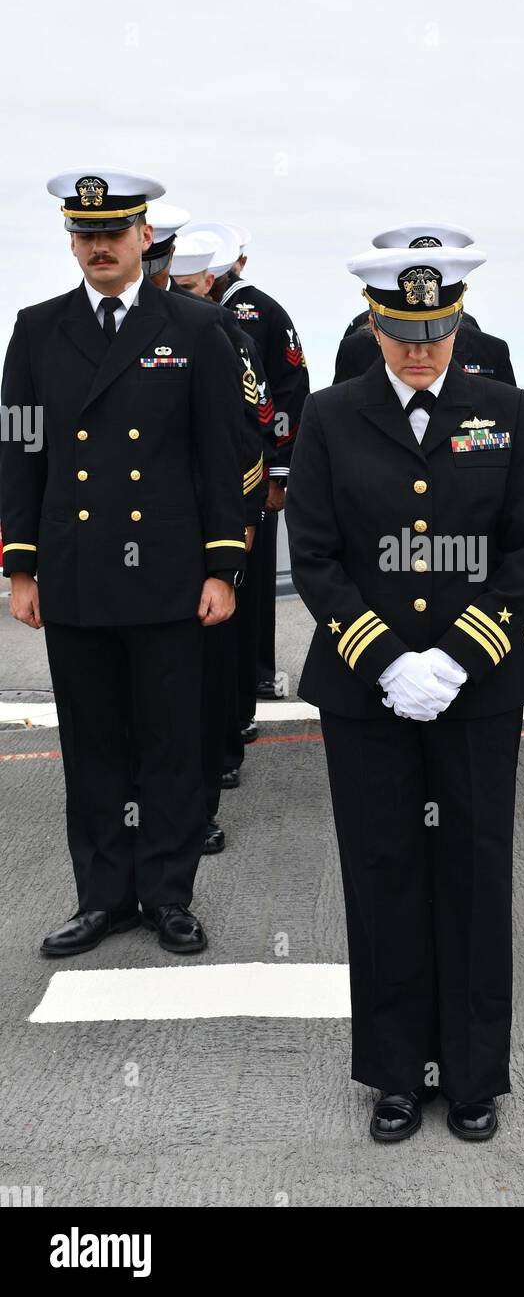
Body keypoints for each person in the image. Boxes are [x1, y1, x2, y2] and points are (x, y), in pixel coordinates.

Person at [286, 235, 524, 1143]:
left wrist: (456, 658)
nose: (421, 349)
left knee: (475, 874)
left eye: (437, 329)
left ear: (459, 321)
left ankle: (475, 1074)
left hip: (475, 692)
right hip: (368, 693)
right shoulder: (330, 416)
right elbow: (315, 556)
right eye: (403, 330)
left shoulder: (504, 409)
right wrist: (388, 657)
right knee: (383, 871)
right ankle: (396, 1073)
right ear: (374, 320)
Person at [1, 168, 245, 956]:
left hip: (171, 574)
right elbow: (22, 452)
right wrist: (21, 565)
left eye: (113, 232)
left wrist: (222, 566)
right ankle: (102, 896)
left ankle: (169, 894)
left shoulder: (197, 327)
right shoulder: (36, 330)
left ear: (146, 236)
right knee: (94, 744)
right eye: (85, 234)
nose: (99, 246)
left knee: (174, 742)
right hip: (76, 572)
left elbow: (220, 453)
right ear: (71, 241)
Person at [164, 230, 272, 852]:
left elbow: (247, 427)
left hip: (204, 527)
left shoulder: (220, 331)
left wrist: (243, 516)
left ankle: (211, 770)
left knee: (207, 662)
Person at [212, 232, 310, 705]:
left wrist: (278, 472)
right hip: (222, 473)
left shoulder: (265, 312)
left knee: (249, 583)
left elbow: (289, 389)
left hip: (255, 472)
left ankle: (255, 677)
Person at [334, 223, 515, 387]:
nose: (418, 353)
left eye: (436, 332)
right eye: (401, 335)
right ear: (374, 326)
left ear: (458, 322)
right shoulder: (355, 352)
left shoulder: (493, 358)